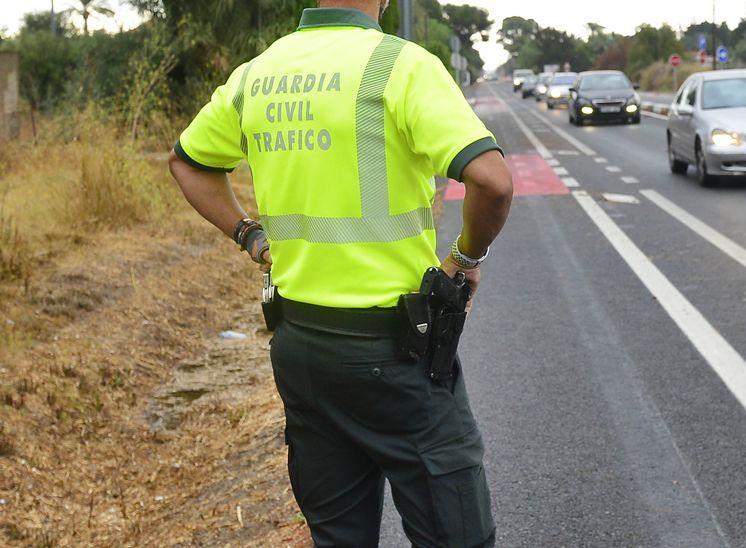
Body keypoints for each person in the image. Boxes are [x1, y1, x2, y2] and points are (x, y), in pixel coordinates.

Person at [167, 0, 513, 545]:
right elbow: (492, 181)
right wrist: (465, 260)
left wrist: (250, 236)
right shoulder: (400, 65)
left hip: (302, 349)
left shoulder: (256, 75)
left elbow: (187, 162)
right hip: (397, 355)